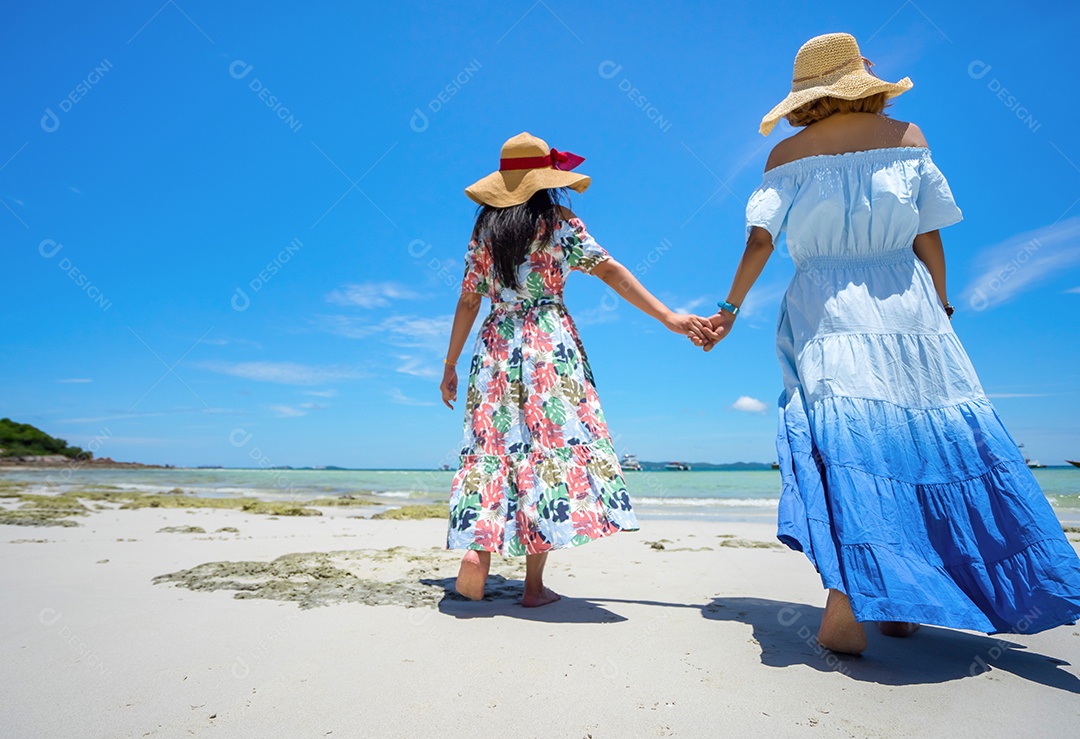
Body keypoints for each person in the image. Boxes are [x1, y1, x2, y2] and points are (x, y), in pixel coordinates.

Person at [695, 33, 1080, 653]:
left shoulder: (787, 155)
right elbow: (929, 236)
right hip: (908, 300)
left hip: (825, 305)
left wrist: (729, 309)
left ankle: (849, 608)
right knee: (924, 440)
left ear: (804, 97)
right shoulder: (909, 139)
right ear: (864, 84)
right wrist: (941, 301)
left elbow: (760, 241)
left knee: (849, 443)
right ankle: (903, 607)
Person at [441, 132, 709, 606]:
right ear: (547, 180)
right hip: (549, 341)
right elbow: (609, 270)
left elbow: (467, 299)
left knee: (493, 448)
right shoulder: (557, 221)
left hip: (496, 343)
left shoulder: (484, 231)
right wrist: (668, 316)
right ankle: (533, 586)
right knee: (546, 451)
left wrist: (449, 363)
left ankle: (477, 555)